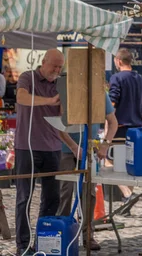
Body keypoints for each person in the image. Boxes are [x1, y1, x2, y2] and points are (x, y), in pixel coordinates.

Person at [14, 49, 83, 255]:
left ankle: (42, 243)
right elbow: (21, 98)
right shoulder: (28, 77)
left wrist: (72, 145)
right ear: (43, 62)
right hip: (26, 147)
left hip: (52, 149)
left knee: (51, 199)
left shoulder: (60, 85)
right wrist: (49, 101)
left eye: (60, 67)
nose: (57, 70)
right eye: (54, 65)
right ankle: (23, 246)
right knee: (24, 198)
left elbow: (58, 126)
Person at [57, 91, 118, 251]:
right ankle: (62, 233)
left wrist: (105, 144)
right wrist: (72, 146)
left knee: (89, 192)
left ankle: (88, 235)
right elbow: (58, 125)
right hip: (67, 149)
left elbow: (113, 122)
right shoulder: (68, 91)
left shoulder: (100, 94)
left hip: (90, 149)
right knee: (65, 191)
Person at [108, 48, 142, 215]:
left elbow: (112, 104)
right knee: (130, 164)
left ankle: (127, 194)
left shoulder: (116, 78)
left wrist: (107, 127)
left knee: (108, 162)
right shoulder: (140, 79)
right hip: (138, 128)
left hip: (119, 127)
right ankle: (126, 204)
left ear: (118, 61)